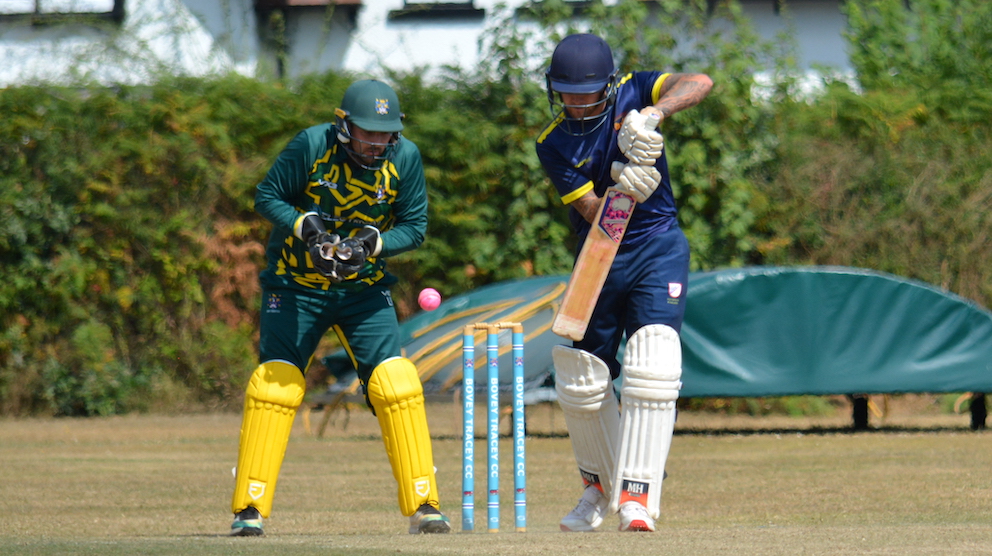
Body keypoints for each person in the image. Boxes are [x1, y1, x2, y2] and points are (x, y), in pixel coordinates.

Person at [229, 79, 451, 536]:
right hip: (294, 285)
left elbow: (415, 226)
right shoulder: (312, 145)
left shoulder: (404, 157)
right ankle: (248, 511)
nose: (376, 144)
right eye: (367, 133)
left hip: (363, 291)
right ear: (344, 125)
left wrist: (374, 243)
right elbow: (267, 196)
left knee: (396, 383)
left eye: (384, 134)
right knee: (276, 385)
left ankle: (425, 506)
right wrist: (305, 228)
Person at [535, 33, 713, 532]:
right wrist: (622, 182)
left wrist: (656, 115)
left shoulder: (637, 89)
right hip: (601, 254)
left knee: (653, 360)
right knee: (582, 374)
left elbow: (700, 81)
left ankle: (637, 499)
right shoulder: (552, 143)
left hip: (657, 247)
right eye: (564, 91)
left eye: (584, 92)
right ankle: (597, 491)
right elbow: (595, 216)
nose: (573, 102)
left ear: (609, 86)